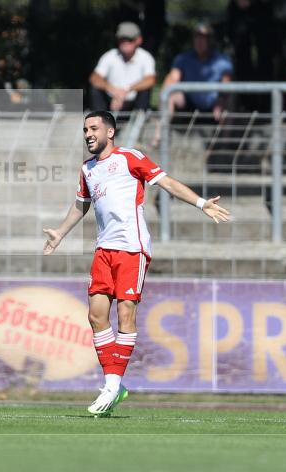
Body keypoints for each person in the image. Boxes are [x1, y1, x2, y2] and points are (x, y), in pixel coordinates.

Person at [41, 110, 230, 417]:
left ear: (110, 132)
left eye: (93, 128)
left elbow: (166, 182)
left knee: (125, 314)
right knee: (96, 316)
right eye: (85, 130)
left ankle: (113, 385)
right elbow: (81, 204)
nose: (88, 134)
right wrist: (60, 233)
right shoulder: (88, 169)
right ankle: (114, 384)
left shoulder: (130, 158)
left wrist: (200, 203)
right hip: (104, 250)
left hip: (132, 248)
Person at [159, 23, 233, 131]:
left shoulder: (222, 60)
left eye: (203, 38)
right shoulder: (183, 58)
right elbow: (172, 79)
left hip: (213, 104)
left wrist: (221, 99)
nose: (199, 42)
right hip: (189, 103)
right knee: (170, 95)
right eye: (197, 37)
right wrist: (165, 93)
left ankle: (225, 143)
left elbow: (227, 83)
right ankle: (160, 135)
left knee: (229, 100)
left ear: (210, 41)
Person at [88, 22, 156, 112]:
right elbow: (94, 78)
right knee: (95, 90)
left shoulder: (146, 57)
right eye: (122, 39)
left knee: (145, 91)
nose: (125, 43)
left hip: (133, 102)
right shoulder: (109, 56)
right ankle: (100, 119)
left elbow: (150, 80)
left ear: (139, 40)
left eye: (130, 39)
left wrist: (126, 90)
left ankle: (140, 120)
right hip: (110, 100)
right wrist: (113, 90)